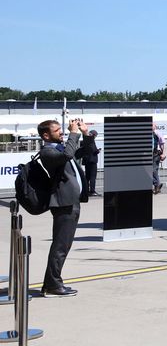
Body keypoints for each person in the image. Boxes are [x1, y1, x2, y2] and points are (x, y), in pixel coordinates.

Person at [37, 118, 89, 297]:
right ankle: (52, 285)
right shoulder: (48, 152)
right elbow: (67, 155)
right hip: (63, 204)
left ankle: (50, 283)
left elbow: (86, 151)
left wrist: (85, 134)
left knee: (63, 246)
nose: (62, 132)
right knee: (60, 246)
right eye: (57, 130)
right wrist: (73, 133)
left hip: (71, 202)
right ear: (46, 135)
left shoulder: (60, 148)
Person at [78, 129, 100, 196]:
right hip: (92, 161)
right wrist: (98, 151)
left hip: (87, 161)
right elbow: (93, 150)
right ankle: (92, 191)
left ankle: (86, 190)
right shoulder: (91, 141)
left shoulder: (84, 141)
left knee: (87, 176)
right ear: (94, 135)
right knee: (93, 176)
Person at [153, 123, 165, 194]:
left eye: (152, 125)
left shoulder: (157, 133)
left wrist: (164, 154)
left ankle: (156, 185)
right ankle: (157, 186)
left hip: (156, 154)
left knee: (154, 170)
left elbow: (163, 143)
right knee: (153, 171)